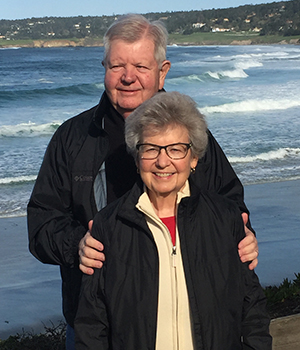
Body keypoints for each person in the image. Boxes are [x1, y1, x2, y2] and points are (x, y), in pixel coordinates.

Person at [27, 14, 258, 349]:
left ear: (162, 71)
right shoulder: (73, 138)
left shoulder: (191, 136)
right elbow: (41, 223)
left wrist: (246, 236)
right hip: (97, 321)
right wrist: (77, 245)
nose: (128, 78)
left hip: (188, 316)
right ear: (103, 67)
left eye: (141, 66)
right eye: (117, 65)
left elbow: (231, 205)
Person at [75, 91, 272, 349]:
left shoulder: (225, 219)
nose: (162, 161)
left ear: (194, 159)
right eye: (151, 149)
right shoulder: (109, 226)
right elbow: (91, 327)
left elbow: (253, 311)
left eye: (176, 149)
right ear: (137, 159)